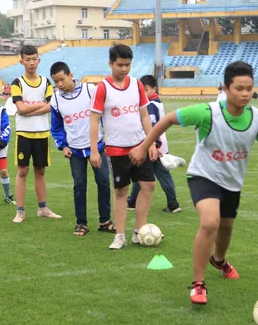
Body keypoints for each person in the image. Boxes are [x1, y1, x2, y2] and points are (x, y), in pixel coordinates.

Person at [130, 61, 258, 305]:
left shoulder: (257, 118)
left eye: (249, 88)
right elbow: (168, 120)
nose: (245, 93)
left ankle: (219, 259)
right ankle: (198, 283)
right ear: (225, 88)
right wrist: (144, 146)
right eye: (239, 88)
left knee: (225, 229)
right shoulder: (208, 112)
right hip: (203, 176)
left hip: (232, 183)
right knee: (209, 223)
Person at [89, 44, 157, 250]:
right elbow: (94, 121)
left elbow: (145, 116)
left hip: (139, 146)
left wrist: (150, 142)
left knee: (149, 185)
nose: (124, 69)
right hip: (117, 149)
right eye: (120, 65)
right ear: (111, 63)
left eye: (128, 65)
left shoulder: (137, 85)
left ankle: (139, 230)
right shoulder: (102, 88)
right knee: (121, 191)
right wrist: (94, 150)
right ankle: (120, 235)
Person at [50, 62, 115, 236]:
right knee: (79, 186)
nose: (60, 84)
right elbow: (56, 127)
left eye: (62, 79)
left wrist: (107, 137)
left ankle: (105, 221)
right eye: (56, 82)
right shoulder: (55, 99)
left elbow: (104, 114)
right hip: (75, 151)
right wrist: (63, 146)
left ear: (71, 75)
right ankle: (81, 223)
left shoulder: (90, 90)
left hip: (97, 146)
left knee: (103, 182)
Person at [11, 45, 60, 223]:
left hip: (41, 133)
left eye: (34, 59)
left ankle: (43, 209)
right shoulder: (17, 82)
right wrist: (37, 107)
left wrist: (28, 111)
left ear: (39, 60)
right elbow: (21, 108)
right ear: (21, 61)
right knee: (22, 171)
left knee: (40, 171)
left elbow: (50, 106)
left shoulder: (46, 82)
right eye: (28, 59)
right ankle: (20, 211)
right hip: (24, 134)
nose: (31, 63)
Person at [127, 75, 181, 213]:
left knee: (143, 174)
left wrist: (154, 146)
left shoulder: (150, 105)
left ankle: (133, 202)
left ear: (154, 89)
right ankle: (172, 204)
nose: (143, 94)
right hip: (159, 144)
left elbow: (151, 127)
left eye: (146, 90)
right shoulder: (158, 102)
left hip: (152, 146)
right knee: (154, 175)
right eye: (141, 91)